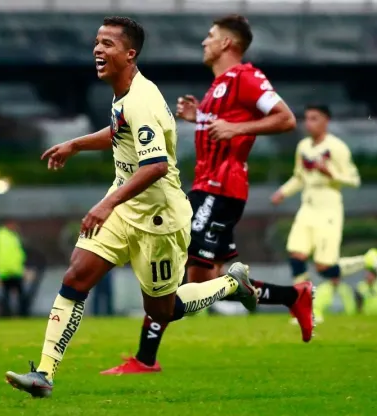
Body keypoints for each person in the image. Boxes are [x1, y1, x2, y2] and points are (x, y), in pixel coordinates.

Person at [5, 17, 258, 398]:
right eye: (97, 42)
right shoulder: (124, 93)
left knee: (161, 310)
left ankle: (229, 283)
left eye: (107, 44)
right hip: (125, 207)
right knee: (76, 276)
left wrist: (106, 204)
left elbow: (155, 165)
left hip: (159, 219)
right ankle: (44, 373)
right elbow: (118, 129)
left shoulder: (142, 100)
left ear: (129, 53)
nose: (97, 50)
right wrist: (76, 144)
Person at [103, 14, 314, 375]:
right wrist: (198, 117)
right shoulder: (218, 87)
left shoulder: (247, 77)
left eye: (211, 36)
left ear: (227, 44)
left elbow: (285, 118)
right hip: (207, 186)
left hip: (221, 188)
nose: (205, 41)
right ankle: (292, 295)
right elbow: (222, 129)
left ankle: (145, 359)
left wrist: (237, 126)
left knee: (172, 258)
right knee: (202, 283)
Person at [270, 104, 377, 323]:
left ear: (326, 121)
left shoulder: (337, 147)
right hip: (308, 207)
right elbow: (299, 176)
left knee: (325, 268)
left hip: (329, 209)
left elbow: (353, 179)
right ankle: (304, 307)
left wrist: (330, 172)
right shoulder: (303, 146)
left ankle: (367, 260)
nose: (309, 123)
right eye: (307, 118)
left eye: (314, 118)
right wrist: (282, 192)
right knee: (296, 255)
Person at [0, 220, 28, 317]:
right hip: (9, 271)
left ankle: (15, 314)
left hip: (12, 270)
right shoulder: (5, 236)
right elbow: (6, 256)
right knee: (10, 295)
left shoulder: (8, 236)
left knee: (11, 295)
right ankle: (11, 314)